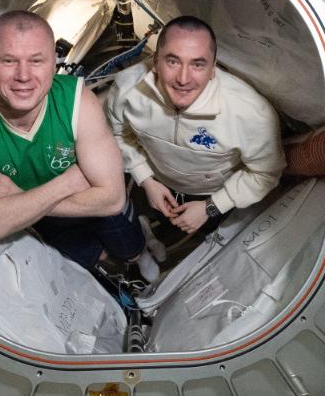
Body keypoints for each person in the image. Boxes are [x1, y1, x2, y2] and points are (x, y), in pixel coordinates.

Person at [0, 10, 160, 282]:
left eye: (36, 61)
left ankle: (141, 252)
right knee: (92, 259)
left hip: (45, 209)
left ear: (53, 64)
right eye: (8, 61)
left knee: (128, 243)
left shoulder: (78, 100)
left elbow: (112, 199)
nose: (23, 75)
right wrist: (66, 183)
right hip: (45, 219)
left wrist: (17, 196)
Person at [105, 16, 286, 239]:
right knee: (166, 223)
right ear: (155, 61)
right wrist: (145, 179)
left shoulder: (250, 114)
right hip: (157, 182)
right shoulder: (126, 89)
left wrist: (211, 207)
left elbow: (265, 173)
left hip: (212, 194)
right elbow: (117, 133)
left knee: (205, 230)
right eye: (173, 61)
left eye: (198, 64)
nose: (183, 78)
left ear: (213, 68)